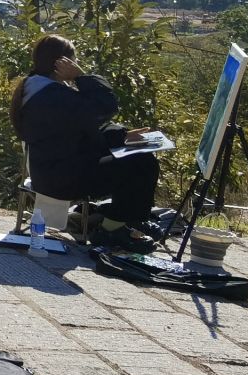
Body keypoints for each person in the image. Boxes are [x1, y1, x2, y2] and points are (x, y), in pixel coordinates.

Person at [11, 35, 160, 247]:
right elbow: (106, 106)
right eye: (74, 60)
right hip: (61, 180)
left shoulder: (36, 90)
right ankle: (112, 230)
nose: (77, 64)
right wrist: (81, 77)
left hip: (52, 173)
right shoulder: (52, 97)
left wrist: (123, 135)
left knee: (135, 160)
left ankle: (116, 221)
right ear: (62, 63)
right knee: (141, 164)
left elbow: (83, 128)